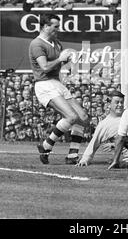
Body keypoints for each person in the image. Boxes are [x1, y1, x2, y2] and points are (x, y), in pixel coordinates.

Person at [29, 14, 89, 164]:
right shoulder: (37, 44)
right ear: (45, 26)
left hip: (56, 83)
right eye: (55, 26)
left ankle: (72, 155)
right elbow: (45, 67)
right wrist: (60, 59)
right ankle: (46, 145)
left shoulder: (56, 43)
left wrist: (70, 60)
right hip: (44, 84)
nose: (58, 29)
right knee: (70, 117)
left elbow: (58, 65)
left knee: (83, 117)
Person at [76, 90, 128, 168]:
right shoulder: (104, 125)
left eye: (122, 102)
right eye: (117, 102)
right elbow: (94, 143)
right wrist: (85, 159)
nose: (120, 105)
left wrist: (113, 145)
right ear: (109, 104)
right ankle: (126, 162)